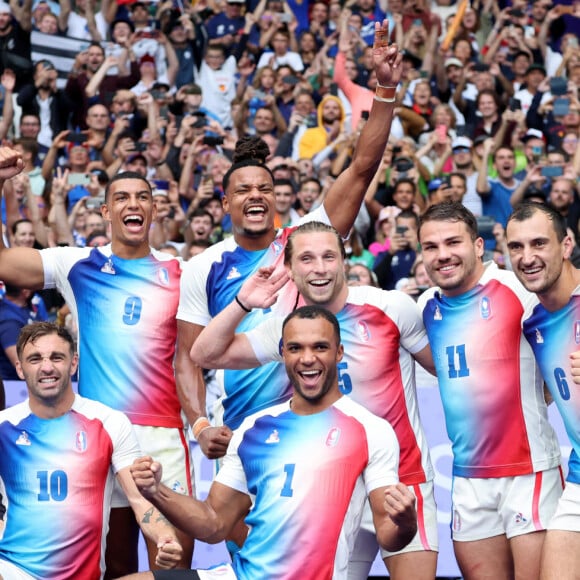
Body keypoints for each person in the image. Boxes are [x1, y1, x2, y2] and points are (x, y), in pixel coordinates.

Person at [176, 18, 403, 461]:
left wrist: (386, 91)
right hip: (243, 431)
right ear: (225, 204)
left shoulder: (307, 240)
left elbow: (361, 168)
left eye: (264, 187)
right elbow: (190, 356)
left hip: (317, 425)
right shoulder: (204, 266)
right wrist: (200, 425)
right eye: (243, 190)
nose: (256, 196)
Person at [190, 221, 438, 579]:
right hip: (330, 490)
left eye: (328, 257)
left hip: (402, 483)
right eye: (306, 258)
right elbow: (205, 353)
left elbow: (443, 369)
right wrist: (244, 302)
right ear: (289, 269)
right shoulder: (289, 327)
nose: (319, 268)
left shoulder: (391, 307)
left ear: (344, 259)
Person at [0, 147, 194, 577]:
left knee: (175, 564)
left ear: (155, 208)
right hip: (96, 437)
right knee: (117, 565)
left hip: (162, 433)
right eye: (122, 197)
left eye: (142, 196)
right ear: (106, 210)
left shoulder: (183, 271)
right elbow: (5, 262)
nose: (133, 204)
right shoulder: (77, 264)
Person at [124, 306, 418, 580]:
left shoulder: (370, 430)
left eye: (320, 347)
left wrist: (406, 523)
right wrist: (155, 491)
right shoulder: (253, 427)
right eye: (295, 348)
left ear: (339, 352)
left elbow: (388, 533)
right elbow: (214, 524)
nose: (307, 358)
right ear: (282, 353)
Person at [417, 202, 563, 580]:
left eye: (453, 242)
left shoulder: (519, 290)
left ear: (479, 245)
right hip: (467, 479)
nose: (443, 254)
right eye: (431, 246)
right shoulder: (424, 307)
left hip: (528, 472)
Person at [0, 322, 182, 580]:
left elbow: (140, 501)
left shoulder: (109, 422)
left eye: (57, 357)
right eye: (35, 359)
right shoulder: (3, 427)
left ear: (73, 363)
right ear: (20, 368)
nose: (47, 367)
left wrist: (166, 538)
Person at [506, 202, 580, 580]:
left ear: (566, 244)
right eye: (516, 247)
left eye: (539, 244)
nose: (527, 257)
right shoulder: (532, 323)